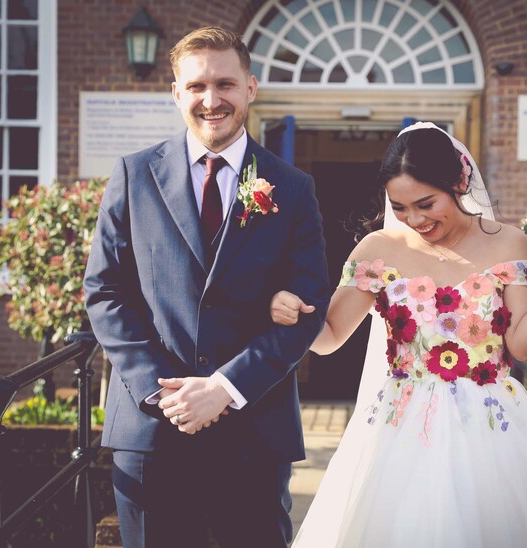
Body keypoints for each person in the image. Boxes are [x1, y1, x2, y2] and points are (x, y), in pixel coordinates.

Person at [269, 122, 527, 547]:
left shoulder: (511, 244)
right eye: (400, 206)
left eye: (426, 203)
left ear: (460, 181)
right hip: (400, 429)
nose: (415, 219)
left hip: (491, 427)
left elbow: (522, 345)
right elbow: (329, 337)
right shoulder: (376, 249)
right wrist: (291, 313)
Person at [83, 26, 330, 548]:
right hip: (153, 429)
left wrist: (224, 388)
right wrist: (161, 391)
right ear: (176, 92)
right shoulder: (133, 175)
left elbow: (308, 306)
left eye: (225, 84)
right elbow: (106, 293)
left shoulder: (293, 187)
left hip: (254, 428)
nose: (211, 100)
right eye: (196, 87)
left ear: (251, 88)